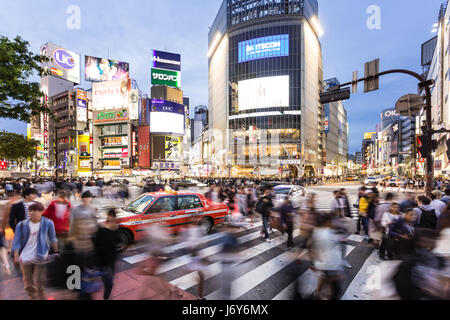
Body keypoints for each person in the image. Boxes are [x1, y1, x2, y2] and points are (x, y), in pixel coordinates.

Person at [11, 202, 58, 300]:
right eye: (31, 210)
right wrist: (16, 255)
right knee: (28, 283)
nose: (33, 213)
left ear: (41, 211)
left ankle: (42, 297)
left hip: (41, 255)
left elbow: (53, 238)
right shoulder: (22, 224)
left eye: (36, 210)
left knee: (40, 282)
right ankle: (33, 297)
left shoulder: (48, 223)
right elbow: (16, 241)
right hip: (25, 256)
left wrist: (56, 251)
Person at [393, 228, 448, 300]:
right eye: (427, 240)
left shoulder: (438, 259)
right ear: (418, 242)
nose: (432, 242)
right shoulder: (409, 262)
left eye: (433, 239)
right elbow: (404, 289)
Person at [309, 213, 344, 300]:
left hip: (322, 263)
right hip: (330, 264)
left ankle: (318, 293)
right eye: (331, 221)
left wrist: (314, 262)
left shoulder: (317, 232)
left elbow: (311, 247)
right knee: (330, 282)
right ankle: (325, 295)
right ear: (327, 222)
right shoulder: (331, 233)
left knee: (323, 277)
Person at [93, 208, 120, 300]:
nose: (112, 219)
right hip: (103, 262)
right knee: (109, 283)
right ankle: (106, 298)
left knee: (109, 281)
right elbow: (95, 244)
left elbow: (116, 244)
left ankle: (106, 295)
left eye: (113, 217)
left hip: (111, 261)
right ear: (108, 217)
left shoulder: (116, 230)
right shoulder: (101, 229)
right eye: (110, 216)